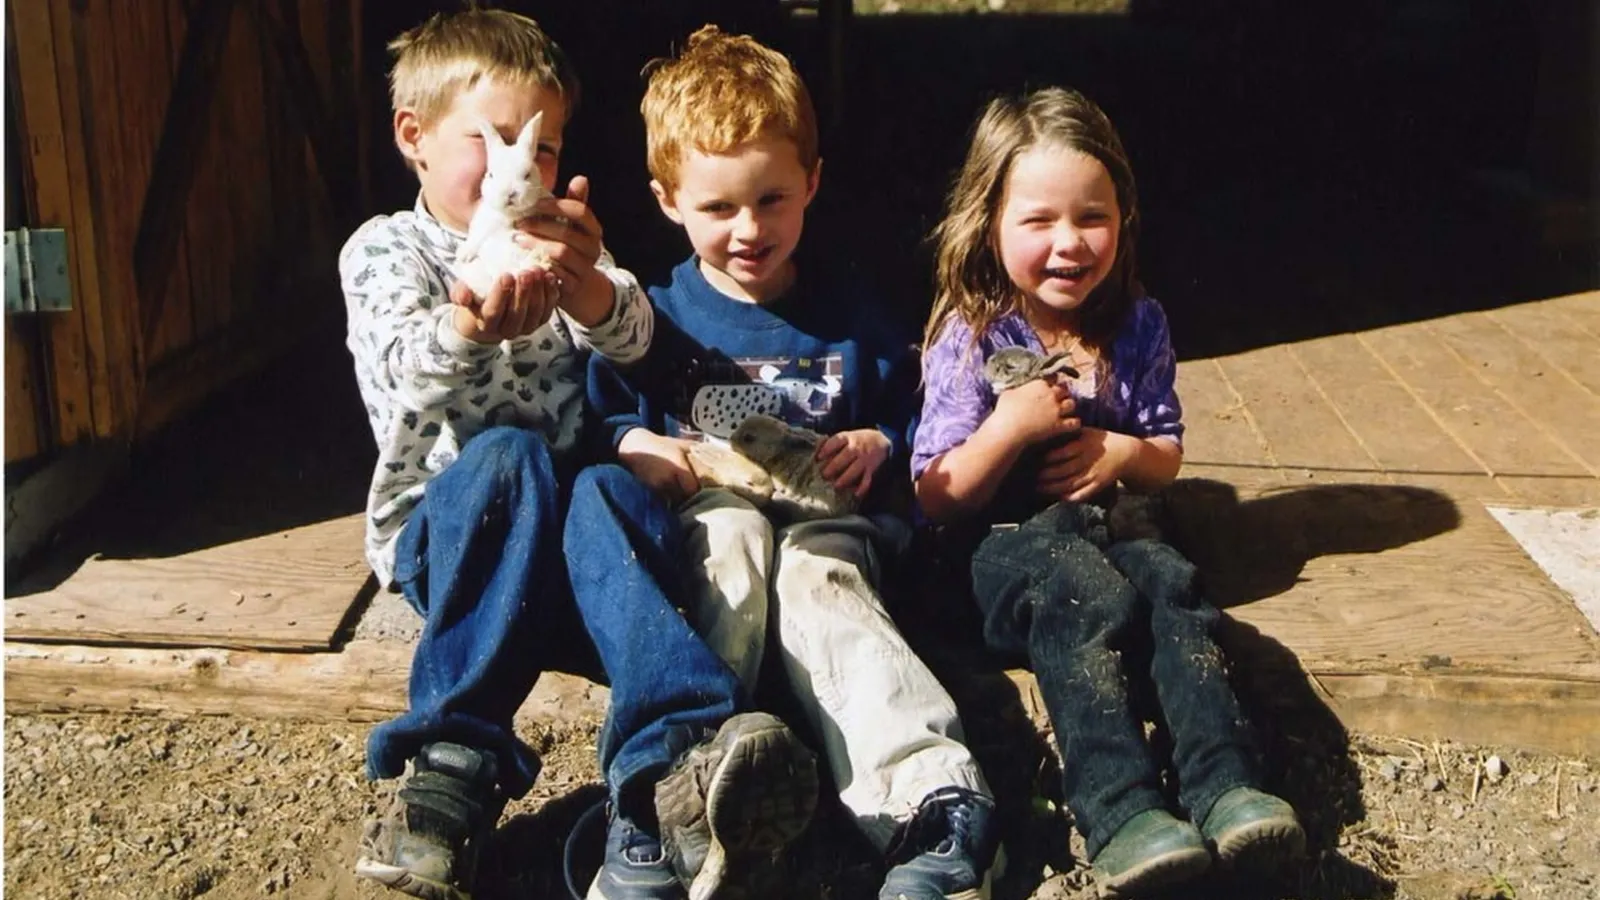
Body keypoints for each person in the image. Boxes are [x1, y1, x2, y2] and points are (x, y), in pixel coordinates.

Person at [339, 10, 817, 900]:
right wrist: (465, 327)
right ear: (415, 136)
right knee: (512, 458)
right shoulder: (386, 251)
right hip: (459, 540)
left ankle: (673, 767)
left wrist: (595, 294)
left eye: (547, 147)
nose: (525, 169)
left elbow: (645, 343)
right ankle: (451, 768)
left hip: (572, 545)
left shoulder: (562, 246)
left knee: (602, 483)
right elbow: (399, 371)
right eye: (495, 140)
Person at [589, 25, 1002, 900]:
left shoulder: (850, 311)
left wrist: (880, 441)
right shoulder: (655, 319)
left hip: (828, 523)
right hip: (716, 516)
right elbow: (601, 411)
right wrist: (642, 444)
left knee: (820, 577)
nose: (749, 229)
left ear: (812, 182)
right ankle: (680, 792)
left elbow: (914, 405)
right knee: (729, 543)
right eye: (719, 208)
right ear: (667, 200)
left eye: (773, 200)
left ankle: (929, 802)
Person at [910, 86, 1306, 898]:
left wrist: (1124, 449)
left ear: (1123, 216)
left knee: (1175, 593)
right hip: (1006, 550)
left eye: (1091, 217)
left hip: (1118, 529)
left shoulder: (1137, 324)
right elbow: (936, 494)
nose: (1069, 244)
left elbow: (1165, 456)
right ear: (990, 221)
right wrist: (1010, 427)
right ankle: (1122, 812)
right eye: (1039, 221)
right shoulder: (975, 332)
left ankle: (1229, 788)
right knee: (1080, 591)